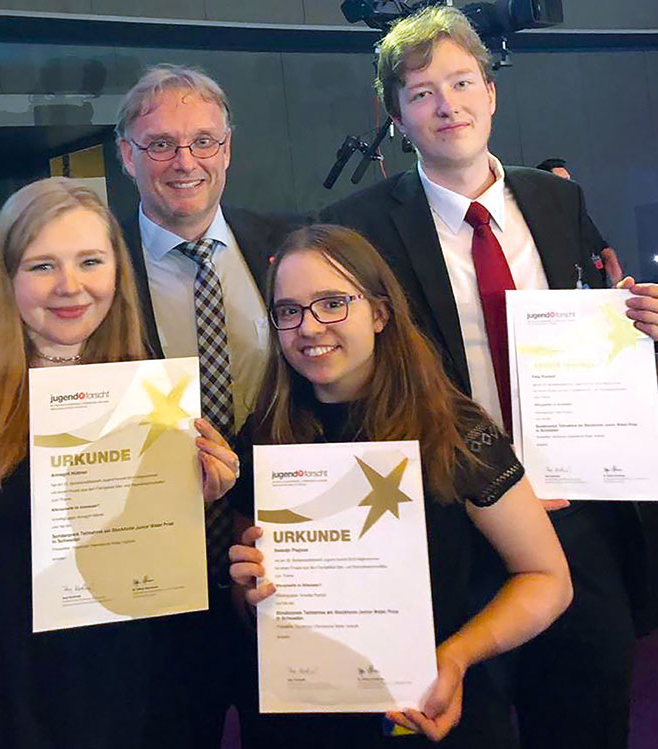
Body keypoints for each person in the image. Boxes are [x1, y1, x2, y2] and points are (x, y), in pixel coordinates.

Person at [320, 7, 658, 748]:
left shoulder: (556, 199)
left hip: (577, 517)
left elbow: (604, 315)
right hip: (450, 525)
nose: (449, 105)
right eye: (422, 93)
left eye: (463, 81)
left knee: (591, 716)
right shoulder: (359, 228)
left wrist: (643, 321)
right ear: (397, 116)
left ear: (492, 92)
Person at [0, 177, 238, 749]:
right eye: (42, 266)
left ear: (118, 270)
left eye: (90, 261)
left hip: (139, 701)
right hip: (1, 706)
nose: (71, 287)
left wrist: (200, 492)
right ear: (6, 276)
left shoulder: (147, 384)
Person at [228, 224, 572, 747]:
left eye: (333, 303)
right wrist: (251, 593)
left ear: (380, 313)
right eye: (289, 311)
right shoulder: (264, 436)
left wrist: (455, 658)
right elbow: (251, 607)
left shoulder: (454, 430)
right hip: (308, 716)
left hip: (434, 707)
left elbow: (549, 579)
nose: (310, 326)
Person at [114, 64, 299, 747]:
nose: (184, 161)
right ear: (127, 154)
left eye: (203, 141)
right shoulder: (95, 268)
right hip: (149, 592)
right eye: (160, 144)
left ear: (228, 148)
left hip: (284, 572)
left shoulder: (290, 245)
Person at [535, 157, 624, 285]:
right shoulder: (539, 222)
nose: (568, 187)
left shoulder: (579, 215)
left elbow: (604, 250)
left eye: (569, 181)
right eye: (562, 182)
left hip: (595, 290)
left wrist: (617, 282)